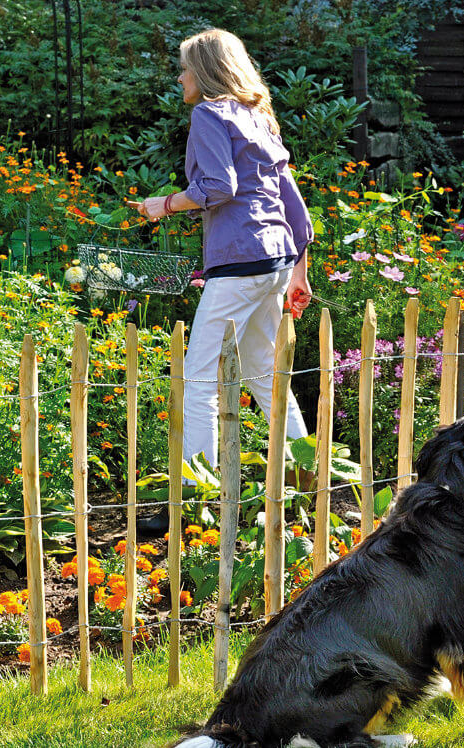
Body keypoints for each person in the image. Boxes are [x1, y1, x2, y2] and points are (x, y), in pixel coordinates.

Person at [130, 28, 313, 482]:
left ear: (206, 71)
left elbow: (218, 187)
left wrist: (163, 205)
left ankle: (200, 492)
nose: (180, 78)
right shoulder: (259, 118)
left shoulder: (210, 116)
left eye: (185, 68)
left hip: (242, 261)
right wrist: (299, 271)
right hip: (274, 261)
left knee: (197, 379)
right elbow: (293, 206)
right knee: (262, 371)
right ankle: (304, 475)